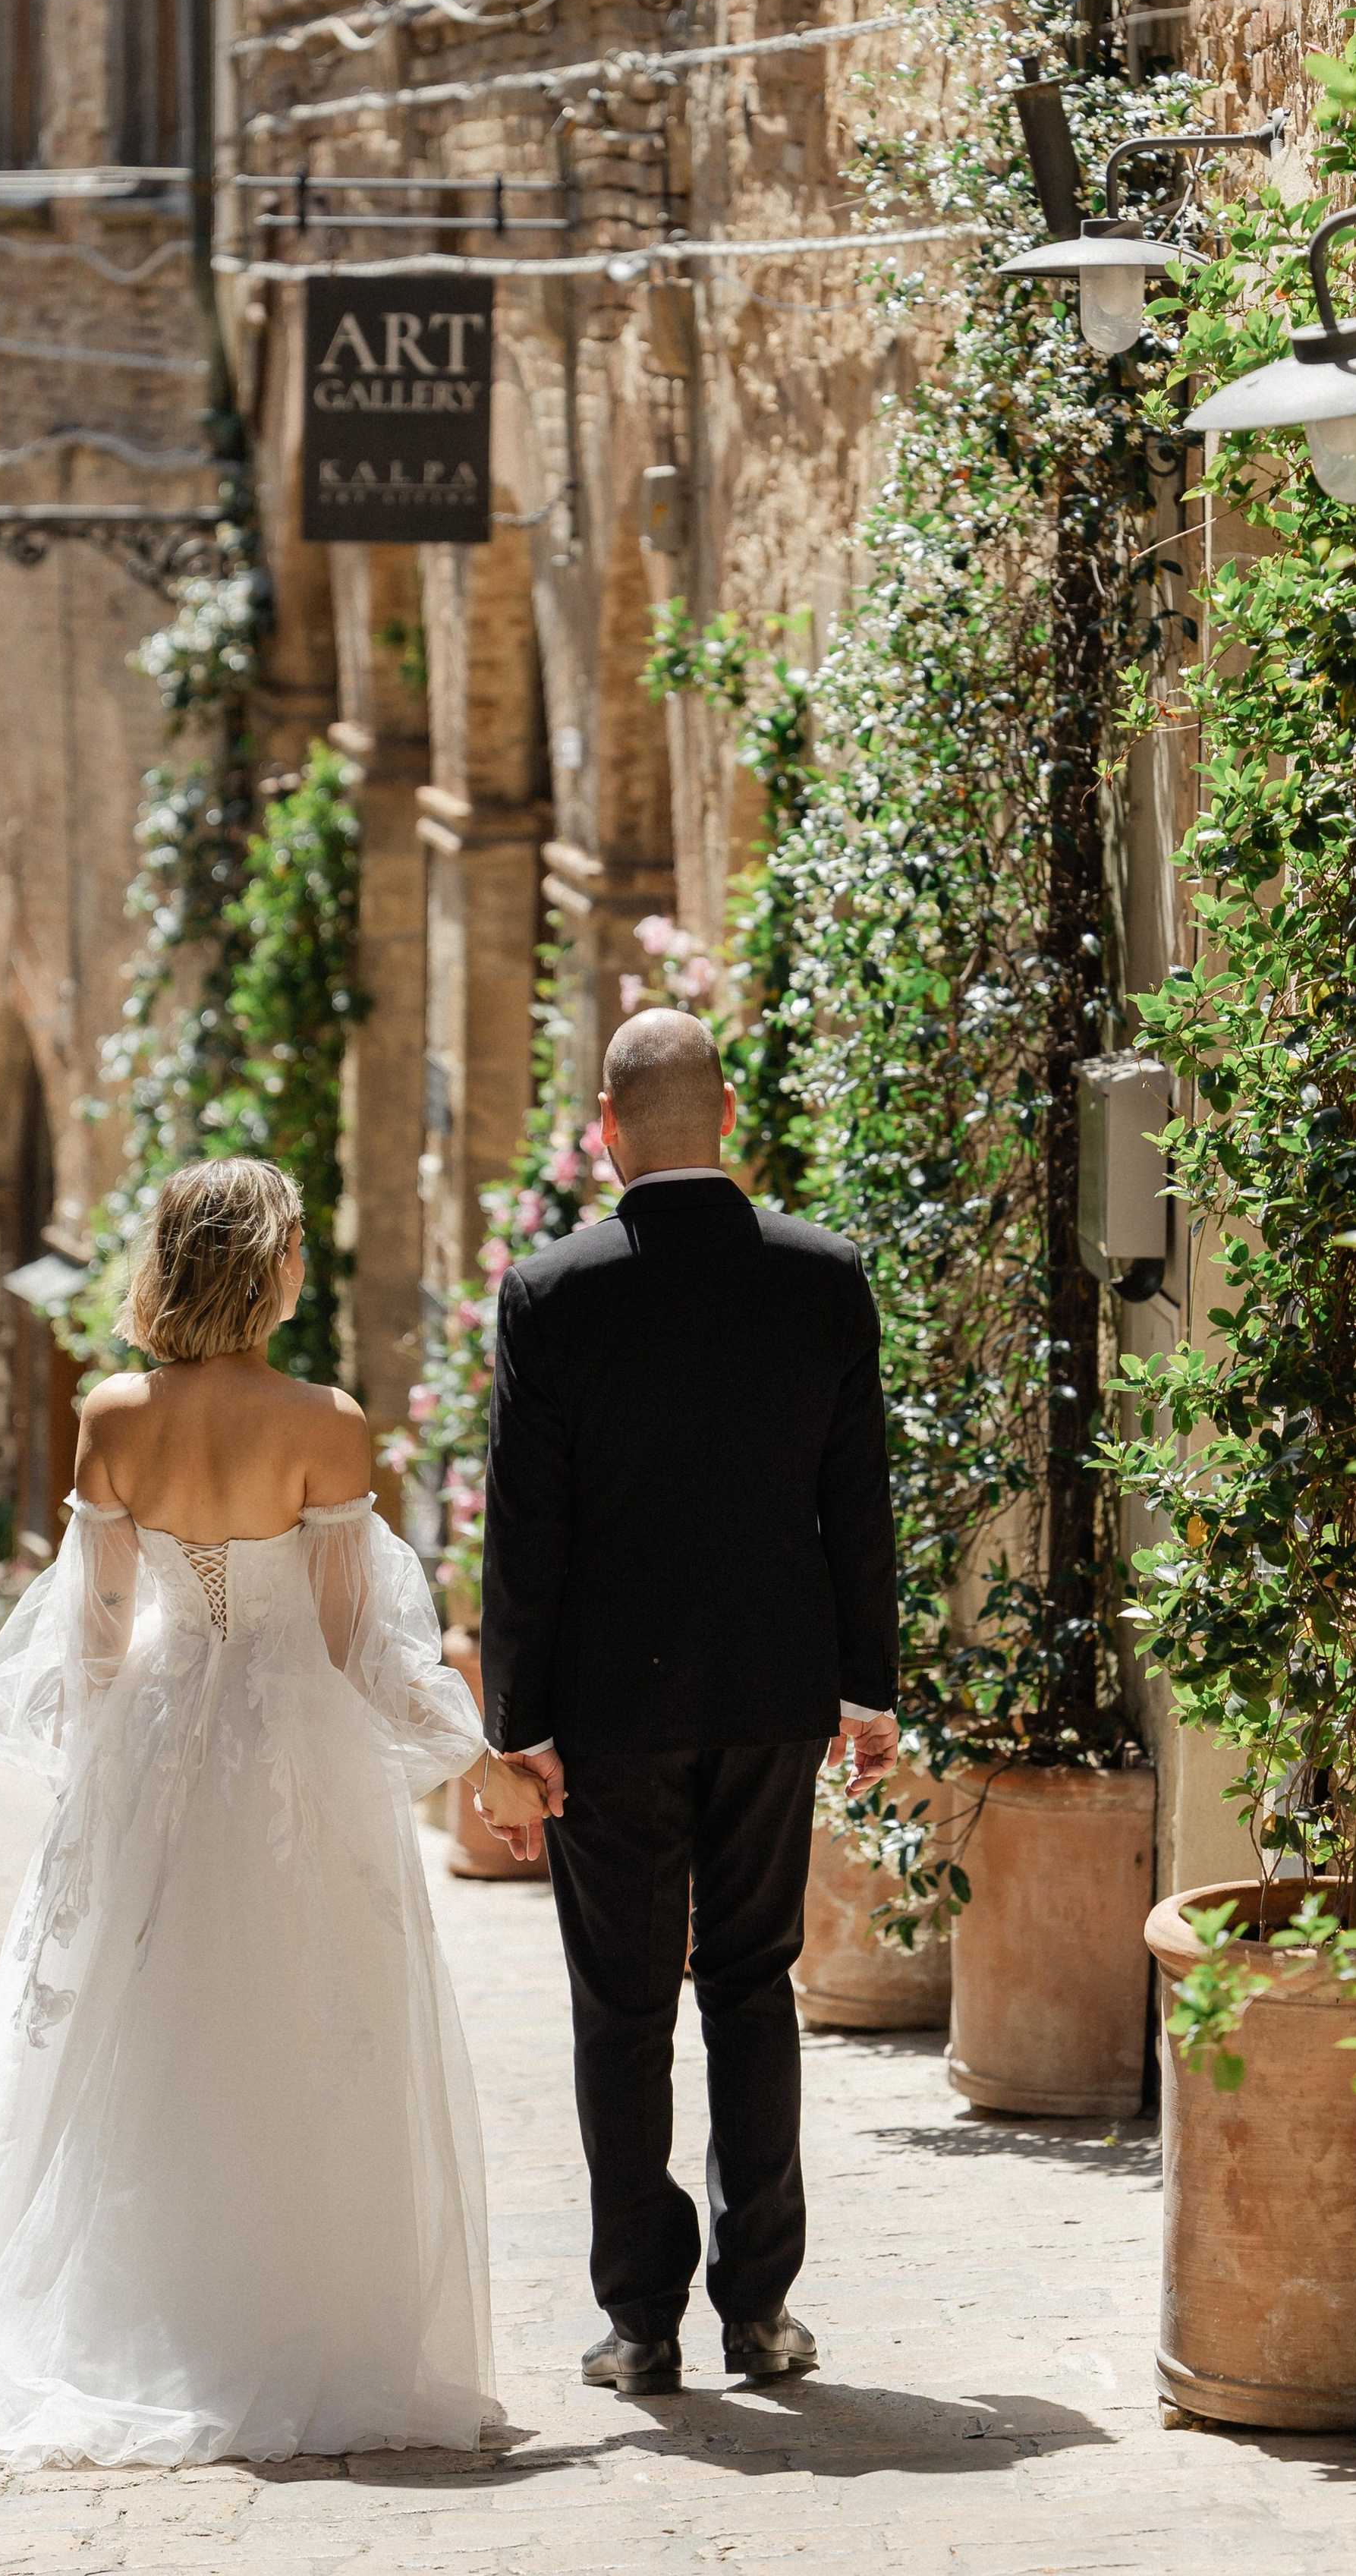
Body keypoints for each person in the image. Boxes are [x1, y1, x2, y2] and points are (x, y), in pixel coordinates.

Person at [0, 1156, 548, 2470]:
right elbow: (356, 1652)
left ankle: (141, 2312)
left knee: (136, 2019)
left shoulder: (113, 1414)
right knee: (309, 2019)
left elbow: (97, 1627)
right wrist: (484, 1758)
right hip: (292, 1753)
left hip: (155, 1740)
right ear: (264, 1265)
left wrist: (105, 1778)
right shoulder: (326, 1422)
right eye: (293, 1252)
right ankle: (293, 2312)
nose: (303, 1273)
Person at [478, 1008, 899, 2398]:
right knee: (751, 1983)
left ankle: (642, 2319)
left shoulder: (552, 1293)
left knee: (620, 2003)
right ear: (726, 1117)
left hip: (608, 1708)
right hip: (775, 1693)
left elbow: (524, 1530)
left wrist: (514, 1724)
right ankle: (761, 2311)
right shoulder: (824, 1279)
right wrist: (869, 1688)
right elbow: (858, 1508)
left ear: (608, 1127)